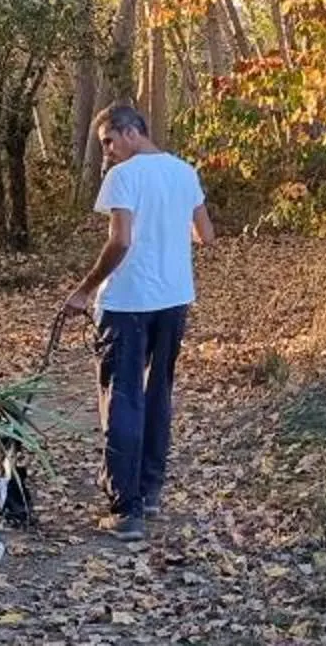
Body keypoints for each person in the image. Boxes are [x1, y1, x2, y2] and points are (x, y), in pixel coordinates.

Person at [59, 101, 211, 540]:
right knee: (157, 393)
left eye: (108, 141)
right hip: (174, 300)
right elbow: (207, 235)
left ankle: (125, 511)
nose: (106, 152)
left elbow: (121, 240)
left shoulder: (123, 176)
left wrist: (85, 290)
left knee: (123, 399)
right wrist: (167, 231)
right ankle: (148, 491)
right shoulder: (184, 172)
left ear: (131, 131)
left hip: (128, 303)